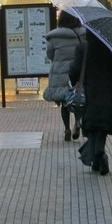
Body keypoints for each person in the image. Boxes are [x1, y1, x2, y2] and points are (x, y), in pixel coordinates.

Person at [69, 31, 112, 176]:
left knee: (91, 122)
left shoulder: (83, 48)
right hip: (107, 90)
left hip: (88, 90)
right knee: (102, 124)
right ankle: (98, 154)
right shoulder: (111, 47)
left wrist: (73, 79)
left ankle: (98, 155)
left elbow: (75, 70)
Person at [44, 12, 85, 141]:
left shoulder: (55, 37)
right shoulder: (83, 34)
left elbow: (50, 54)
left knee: (63, 102)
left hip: (61, 74)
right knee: (79, 98)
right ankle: (77, 122)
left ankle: (67, 129)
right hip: (78, 71)